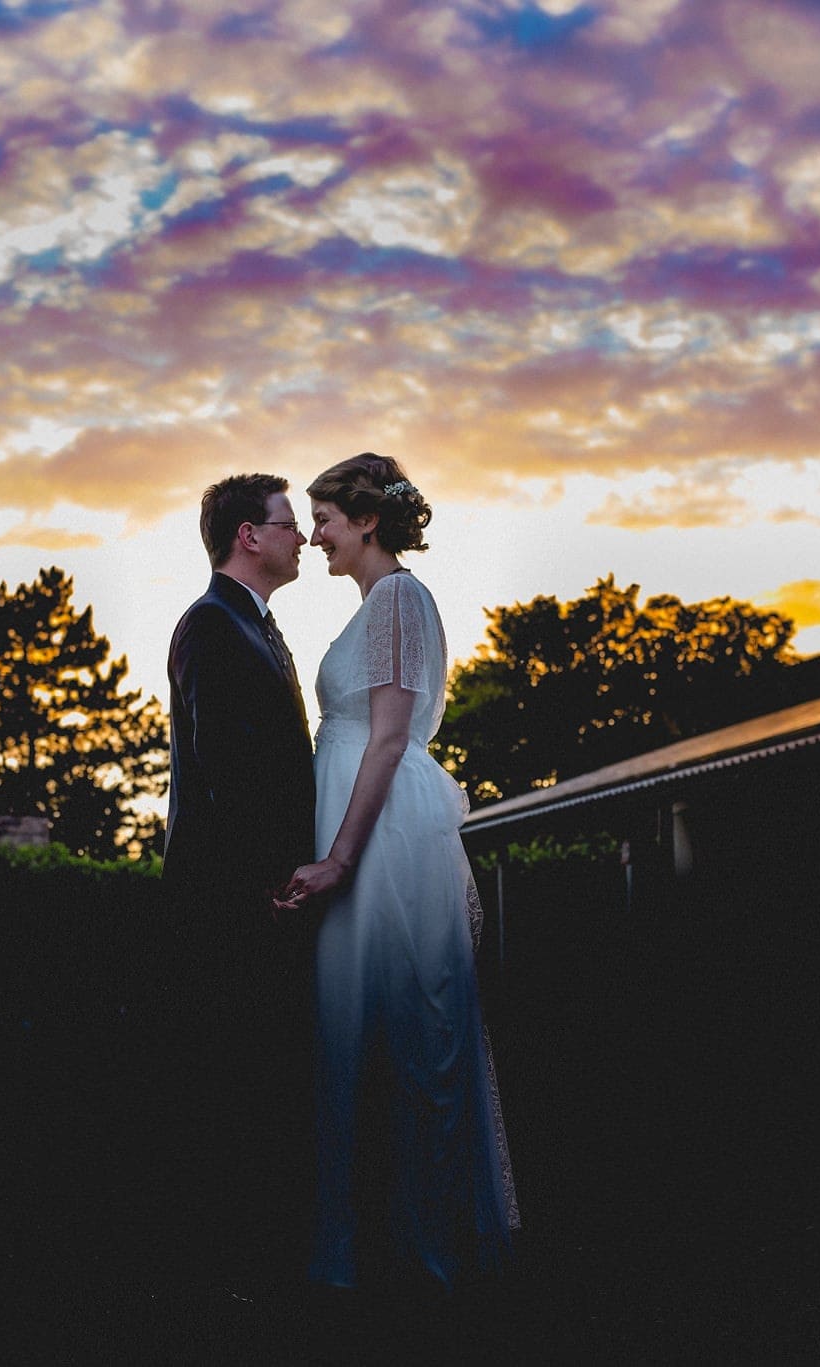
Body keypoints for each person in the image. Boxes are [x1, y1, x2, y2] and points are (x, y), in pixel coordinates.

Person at [277, 453, 519, 1292]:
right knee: (356, 1025)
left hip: (381, 837)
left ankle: (426, 1246)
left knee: (412, 1025)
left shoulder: (398, 599)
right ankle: (364, 1234)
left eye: (327, 520)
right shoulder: (374, 606)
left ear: (368, 520)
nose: (317, 536)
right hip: (360, 820)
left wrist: (342, 856)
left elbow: (386, 735)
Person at [162, 472, 319, 1279]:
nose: (302, 536)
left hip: (262, 901)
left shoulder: (257, 626)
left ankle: (256, 1249)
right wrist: (271, 882)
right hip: (229, 908)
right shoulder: (210, 627)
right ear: (248, 537)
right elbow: (225, 775)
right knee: (230, 1092)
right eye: (288, 523)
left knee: (264, 1087)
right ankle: (227, 1273)